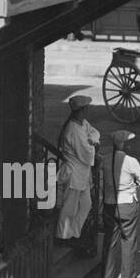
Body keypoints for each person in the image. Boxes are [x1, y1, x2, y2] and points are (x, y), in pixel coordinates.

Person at [100, 130, 140, 278]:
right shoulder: (130, 161)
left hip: (109, 203)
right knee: (128, 241)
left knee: (110, 241)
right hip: (127, 204)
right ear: (123, 144)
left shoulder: (105, 159)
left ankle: (107, 277)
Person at [55, 95, 100, 245]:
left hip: (82, 175)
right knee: (69, 208)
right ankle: (63, 236)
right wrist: (93, 146)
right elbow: (86, 154)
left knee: (86, 205)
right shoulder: (73, 129)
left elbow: (94, 132)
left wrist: (92, 141)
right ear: (82, 110)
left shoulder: (82, 124)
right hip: (74, 174)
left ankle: (74, 232)